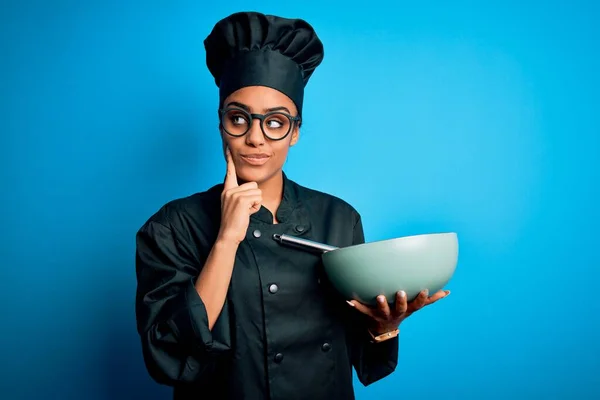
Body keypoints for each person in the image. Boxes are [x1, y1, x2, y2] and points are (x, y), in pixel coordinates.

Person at [135, 11, 450, 400]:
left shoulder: (339, 218)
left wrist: (386, 325)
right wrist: (226, 240)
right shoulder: (172, 226)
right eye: (239, 118)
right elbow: (168, 355)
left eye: (275, 122)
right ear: (221, 124)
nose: (255, 138)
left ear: (295, 132)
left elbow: (362, 353)